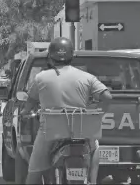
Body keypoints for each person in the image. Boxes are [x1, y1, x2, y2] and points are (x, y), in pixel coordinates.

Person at [20, 37, 112, 185]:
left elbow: (30, 101)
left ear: (50, 56)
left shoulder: (40, 77)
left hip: (49, 131)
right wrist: (98, 112)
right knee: (94, 146)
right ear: (72, 56)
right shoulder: (87, 77)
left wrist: (25, 112)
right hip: (81, 131)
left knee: (34, 171)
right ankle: (93, 181)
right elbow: (107, 97)